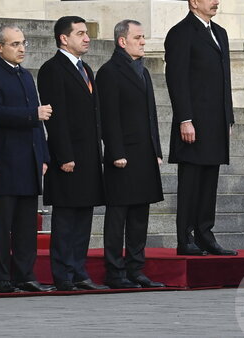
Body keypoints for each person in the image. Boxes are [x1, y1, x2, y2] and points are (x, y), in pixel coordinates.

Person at [0, 24, 54, 294]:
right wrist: (31, 114)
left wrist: (43, 155)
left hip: (30, 159)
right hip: (7, 160)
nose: (22, 48)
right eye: (15, 44)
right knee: (2, 224)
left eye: (23, 43)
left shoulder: (25, 75)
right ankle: (0, 277)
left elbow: (38, 122)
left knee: (26, 224)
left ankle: (25, 274)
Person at [165, 0, 237, 256]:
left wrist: (228, 117)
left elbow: (225, 79)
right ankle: (185, 238)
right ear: (193, 2)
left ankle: (206, 234)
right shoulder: (181, 33)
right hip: (193, 122)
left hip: (215, 122)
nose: (215, 0)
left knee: (209, 181)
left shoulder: (220, 33)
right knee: (191, 182)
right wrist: (185, 118)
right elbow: (177, 79)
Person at [38, 15, 106, 290]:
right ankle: (63, 275)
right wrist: (64, 155)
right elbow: (57, 118)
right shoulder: (52, 69)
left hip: (88, 156)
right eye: (80, 33)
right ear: (64, 38)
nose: (87, 38)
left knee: (83, 217)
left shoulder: (86, 68)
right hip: (68, 158)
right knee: (66, 218)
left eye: (87, 32)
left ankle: (79, 271)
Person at [98, 19, 166, 289]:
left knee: (140, 215)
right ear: (122, 41)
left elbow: (151, 114)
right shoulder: (109, 72)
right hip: (122, 155)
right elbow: (108, 116)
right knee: (118, 216)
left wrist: (156, 150)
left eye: (143, 37)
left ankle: (136, 268)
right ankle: (115, 271)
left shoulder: (144, 71)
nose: (143, 41)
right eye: (137, 37)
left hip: (144, 154)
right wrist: (116, 151)